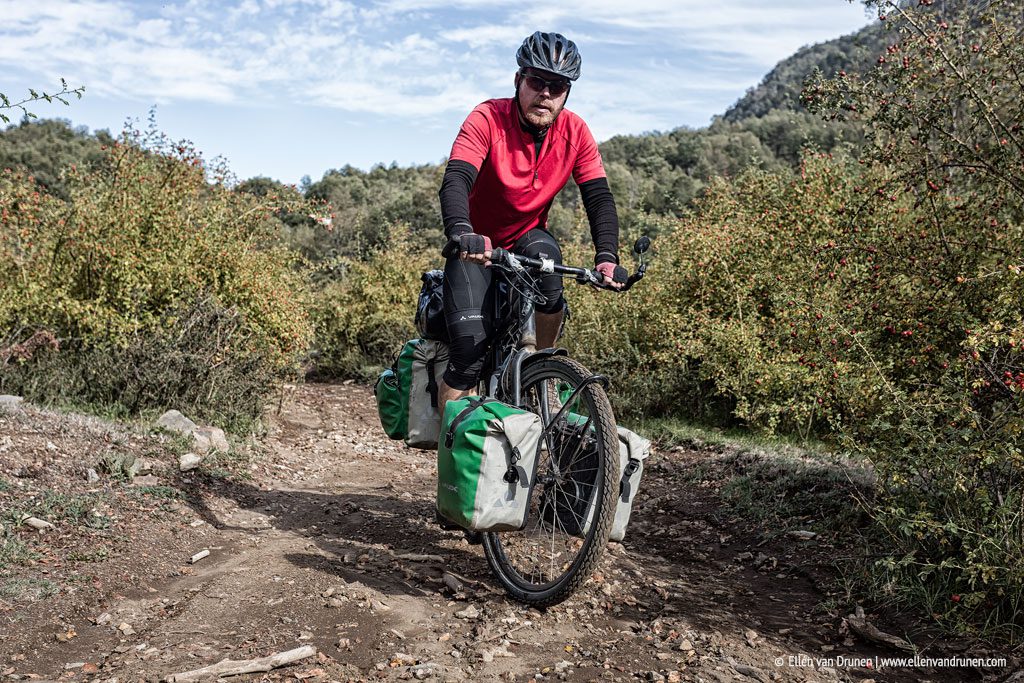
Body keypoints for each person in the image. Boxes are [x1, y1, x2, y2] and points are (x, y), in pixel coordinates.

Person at [437, 30, 626, 412]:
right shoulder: (487, 117)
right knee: (468, 357)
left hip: (526, 239)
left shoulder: (576, 131)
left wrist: (607, 255)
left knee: (549, 261)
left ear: (567, 93)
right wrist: (462, 232)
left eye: (556, 86)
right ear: (518, 81)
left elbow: (599, 197)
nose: (545, 93)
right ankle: (454, 462)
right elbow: (456, 178)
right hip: (477, 247)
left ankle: (545, 370)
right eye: (537, 81)